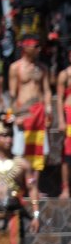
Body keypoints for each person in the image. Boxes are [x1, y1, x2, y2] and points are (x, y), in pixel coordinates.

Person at [8, 36, 52, 173]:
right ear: (26, 48)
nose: (38, 49)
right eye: (35, 46)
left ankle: (34, 187)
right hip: (23, 110)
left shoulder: (42, 68)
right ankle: (21, 186)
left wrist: (49, 109)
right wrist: (15, 115)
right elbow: (12, 94)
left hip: (39, 110)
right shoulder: (15, 68)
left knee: (38, 149)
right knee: (21, 149)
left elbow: (47, 91)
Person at [57, 49, 71, 198]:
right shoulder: (65, 74)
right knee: (67, 156)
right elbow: (60, 98)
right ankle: (65, 188)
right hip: (70, 116)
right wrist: (61, 120)